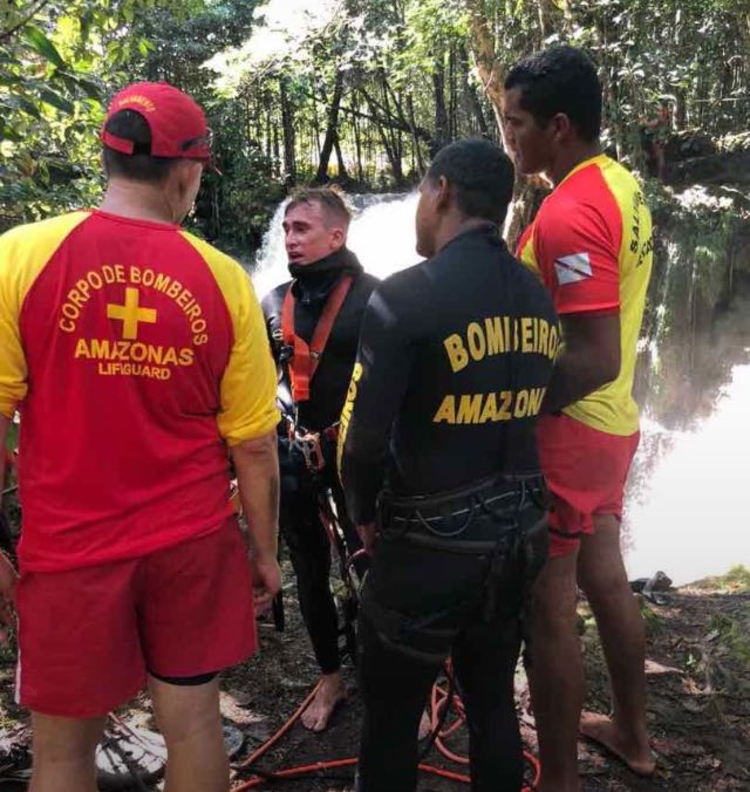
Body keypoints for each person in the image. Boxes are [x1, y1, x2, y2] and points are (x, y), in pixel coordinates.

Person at [0, 81, 281, 792]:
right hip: (189, 547)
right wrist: (264, 552)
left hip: (69, 554)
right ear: (186, 171)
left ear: (107, 155)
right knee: (190, 726)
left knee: (61, 753)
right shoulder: (222, 280)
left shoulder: (19, 258)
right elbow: (252, 444)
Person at [338, 138, 558, 792]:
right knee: (491, 703)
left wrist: (361, 519)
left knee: (391, 716)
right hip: (520, 536)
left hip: (428, 548)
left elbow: (364, 445)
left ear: (440, 192)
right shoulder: (535, 295)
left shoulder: (406, 297)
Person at [503, 46, 655, 792]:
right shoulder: (619, 183)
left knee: (548, 607)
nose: (509, 138)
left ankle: (557, 779)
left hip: (572, 427)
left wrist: (512, 414)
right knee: (607, 579)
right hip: (616, 421)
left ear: (558, 126)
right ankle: (633, 735)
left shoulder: (569, 211)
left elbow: (589, 355)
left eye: (517, 122)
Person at [261, 187, 378, 732]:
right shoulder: (272, 303)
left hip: (356, 459)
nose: (290, 239)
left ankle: (402, 681)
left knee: (375, 569)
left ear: (337, 235)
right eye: (286, 229)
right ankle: (330, 678)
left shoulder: (376, 300)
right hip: (293, 457)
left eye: (302, 229)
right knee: (308, 569)